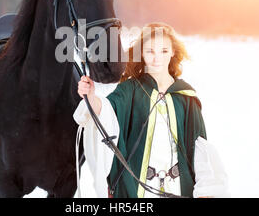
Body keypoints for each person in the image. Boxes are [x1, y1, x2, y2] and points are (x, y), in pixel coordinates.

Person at [74, 22, 229, 198]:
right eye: (150, 51)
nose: (157, 58)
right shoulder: (130, 89)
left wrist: (205, 192)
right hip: (139, 190)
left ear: (172, 52)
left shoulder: (186, 96)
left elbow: (199, 147)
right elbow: (106, 112)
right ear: (142, 53)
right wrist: (91, 96)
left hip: (178, 189)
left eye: (163, 51)